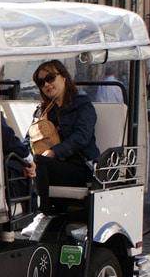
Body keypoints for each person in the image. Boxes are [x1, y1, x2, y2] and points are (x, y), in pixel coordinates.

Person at [21, 60, 100, 239]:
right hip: (51, 166)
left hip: (79, 167)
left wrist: (55, 152)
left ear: (63, 77)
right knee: (18, 161)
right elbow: (29, 139)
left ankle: (42, 213)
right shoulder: (41, 111)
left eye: (50, 77)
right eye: (41, 82)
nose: (47, 84)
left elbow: (82, 136)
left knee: (40, 161)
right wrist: (21, 156)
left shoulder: (82, 104)